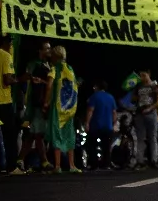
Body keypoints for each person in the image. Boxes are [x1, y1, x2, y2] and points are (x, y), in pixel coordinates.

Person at [43, 45, 80, 173]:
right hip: (69, 108)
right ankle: (72, 166)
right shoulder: (70, 69)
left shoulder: (55, 69)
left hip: (57, 108)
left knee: (56, 134)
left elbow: (49, 85)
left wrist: (46, 102)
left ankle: (57, 166)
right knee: (70, 135)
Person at [17, 40, 53, 172]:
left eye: (50, 48)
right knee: (38, 134)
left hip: (44, 103)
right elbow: (30, 79)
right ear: (40, 50)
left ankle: (20, 161)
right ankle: (44, 162)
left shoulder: (48, 65)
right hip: (36, 103)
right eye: (47, 48)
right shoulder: (34, 64)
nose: (49, 51)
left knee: (33, 134)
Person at [0, 34, 21, 175]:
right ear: (6, 43)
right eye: (10, 42)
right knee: (9, 135)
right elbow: (7, 79)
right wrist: (19, 79)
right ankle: (12, 167)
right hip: (3, 100)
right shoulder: (6, 56)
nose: (11, 45)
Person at [131, 70, 158, 169]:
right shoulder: (138, 86)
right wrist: (134, 97)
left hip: (151, 113)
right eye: (141, 75)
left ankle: (154, 160)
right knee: (140, 138)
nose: (142, 77)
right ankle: (140, 161)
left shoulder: (154, 85)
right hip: (140, 114)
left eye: (144, 75)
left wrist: (150, 108)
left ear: (149, 74)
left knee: (152, 137)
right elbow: (133, 99)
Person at [85, 79, 117, 170]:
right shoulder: (111, 97)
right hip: (108, 126)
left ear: (97, 87)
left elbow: (90, 110)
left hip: (95, 125)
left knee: (92, 145)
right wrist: (114, 123)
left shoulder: (94, 96)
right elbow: (114, 112)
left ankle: (94, 165)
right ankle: (106, 164)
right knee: (106, 147)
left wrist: (87, 122)